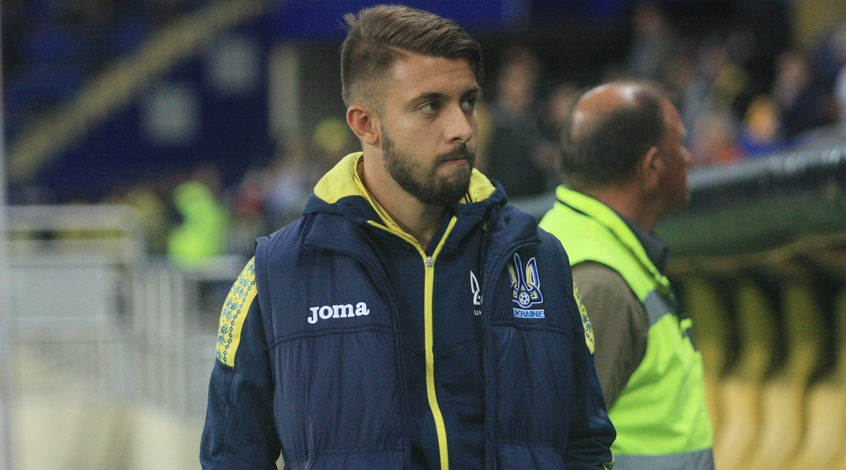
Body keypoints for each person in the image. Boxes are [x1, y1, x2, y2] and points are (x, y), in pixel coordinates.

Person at [200, 5, 615, 469]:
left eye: (468, 102)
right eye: (430, 106)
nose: (462, 129)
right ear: (365, 124)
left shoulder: (538, 259)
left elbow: (586, 444)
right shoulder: (277, 275)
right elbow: (231, 457)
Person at [539, 81, 714, 469]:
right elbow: (562, 452)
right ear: (652, 168)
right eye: (679, 145)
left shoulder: (578, 244)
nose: (688, 158)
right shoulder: (602, 285)